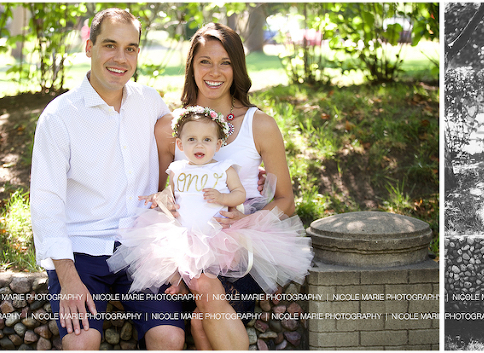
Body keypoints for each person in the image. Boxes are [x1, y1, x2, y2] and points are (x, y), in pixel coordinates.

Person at [30, 8, 184, 350]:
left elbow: (189, 150)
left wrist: (238, 174)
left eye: (130, 48)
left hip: (141, 247)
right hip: (82, 249)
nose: (120, 58)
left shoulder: (151, 102)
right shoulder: (59, 117)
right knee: (81, 341)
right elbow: (46, 203)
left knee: (170, 336)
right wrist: (67, 277)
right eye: (110, 45)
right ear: (89, 48)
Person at [153, 23, 302, 350]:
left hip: (241, 248)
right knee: (202, 314)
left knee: (201, 321)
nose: (215, 71)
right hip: (188, 246)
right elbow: (161, 191)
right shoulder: (170, 127)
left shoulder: (259, 124)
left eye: (225, 62)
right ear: (191, 65)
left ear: (238, 68)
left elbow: (286, 200)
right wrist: (166, 200)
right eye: (205, 61)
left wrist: (246, 223)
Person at [107, 106, 311, 307]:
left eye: (207, 140)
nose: (199, 146)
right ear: (179, 144)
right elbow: (173, 192)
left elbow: (239, 195)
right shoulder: (177, 169)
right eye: (191, 140)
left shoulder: (224, 168)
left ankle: (198, 291)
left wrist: (223, 198)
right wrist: (163, 197)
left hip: (216, 233)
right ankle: (178, 283)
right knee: (165, 255)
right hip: (184, 230)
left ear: (218, 144)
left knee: (209, 267)